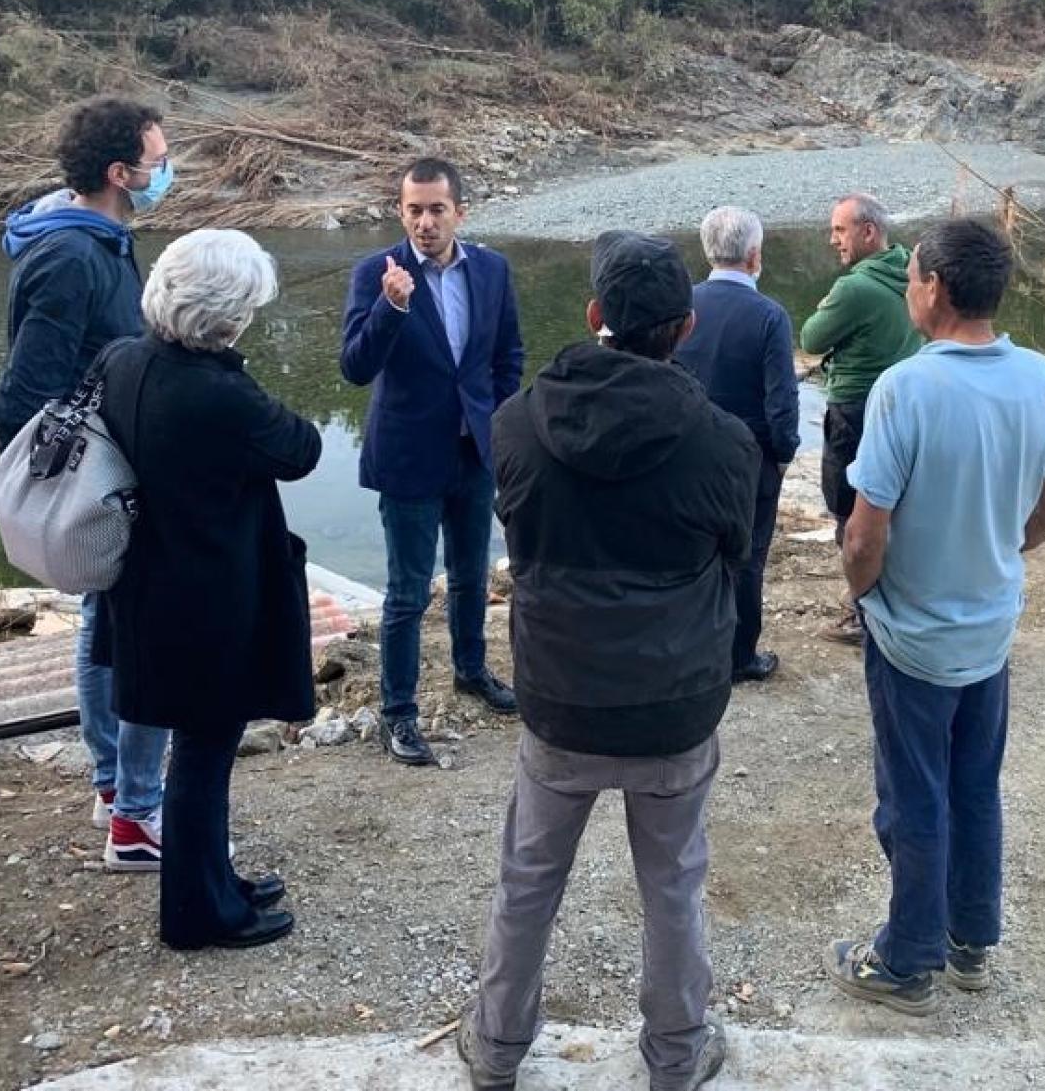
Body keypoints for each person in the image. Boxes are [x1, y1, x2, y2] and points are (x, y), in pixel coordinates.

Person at [458, 231, 756, 1091]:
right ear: (686, 327)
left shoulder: (517, 422)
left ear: (594, 318)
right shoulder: (722, 441)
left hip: (560, 695)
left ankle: (497, 1049)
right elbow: (736, 550)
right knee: (672, 884)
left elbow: (524, 529)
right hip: (675, 699)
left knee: (528, 877)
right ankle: (674, 1055)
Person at [823, 218, 1045, 1015]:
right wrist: (999, 550)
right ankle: (972, 940)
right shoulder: (1041, 375)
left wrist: (864, 592)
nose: (908, 290)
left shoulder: (909, 386)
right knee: (976, 785)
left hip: (912, 634)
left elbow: (866, 531)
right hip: (989, 624)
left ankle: (906, 959)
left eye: (912, 279)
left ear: (932, 285)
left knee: (915, 793)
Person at [98, 230, 322, 950]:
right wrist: (236, 368)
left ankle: (215, 881)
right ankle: (197, 913)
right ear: (224, 316)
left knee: (200, 750)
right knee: (200, 753)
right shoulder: (218, 391)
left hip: (148, 590)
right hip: (207, 604)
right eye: (246, 309)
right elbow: (302, 446)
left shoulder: (125, 361)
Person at [0, 95, 172, 871]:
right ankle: (135, 813)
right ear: (118, 172)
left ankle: (113, 786)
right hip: (105, 488)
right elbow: (23, 396)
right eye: (159, 161)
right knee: (144, 639)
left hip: (119, 475)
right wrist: (73, 483)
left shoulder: (98, 236)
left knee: (104, 628)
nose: (168, 170)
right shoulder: (71, 256)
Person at [340, 158, 525, 766]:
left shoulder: (492, 270)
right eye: (413, 210)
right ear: (401, 212)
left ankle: (471, 670)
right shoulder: (376, 273)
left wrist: (495, 418)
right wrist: (388, 311)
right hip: (408, 455)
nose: (424, 222)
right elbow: (355, 367)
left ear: (459, 212)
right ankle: (399, 711)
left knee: (472, 574)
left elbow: (507, 355)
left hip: (474, 450)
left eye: (435, 209)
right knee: (408, 591)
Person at [675, 206, 800, 683]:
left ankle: (691, 645)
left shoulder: (684, 303)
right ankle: (739, 656)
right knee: (747, 558)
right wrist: (785, 451)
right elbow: (782, 399)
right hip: (751, 456)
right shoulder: (769, 315)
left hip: (687, 449)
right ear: (755, 257)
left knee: (693, 551)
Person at [797, 193, 921, 644]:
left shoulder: (854, 288)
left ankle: (862, 614)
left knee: (850, 515)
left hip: (852, 412)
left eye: (840, 230)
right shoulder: (910, 269)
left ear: (868, 232)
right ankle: (894, 604)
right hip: (902, 408)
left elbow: (811, 337)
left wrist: (830, 302)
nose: (833, 240)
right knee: (894, 510)